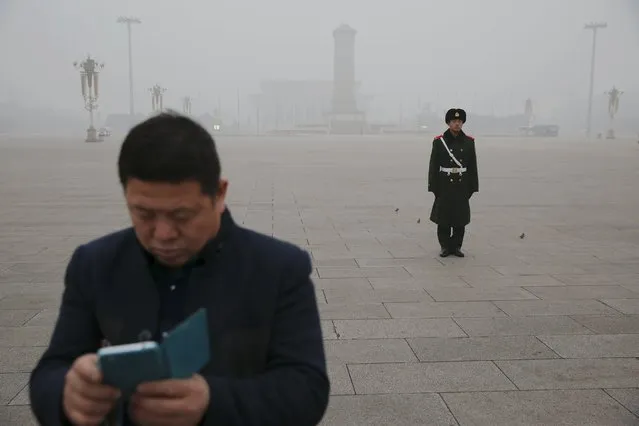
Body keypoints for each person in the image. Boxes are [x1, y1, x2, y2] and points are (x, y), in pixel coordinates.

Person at [29, 112, 330, 426]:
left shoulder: (279, 269)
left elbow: (306, 389)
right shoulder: (93, 264)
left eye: (182, 215)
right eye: (143, 214)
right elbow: (51, 371)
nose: (163, 234)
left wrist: (213, 401)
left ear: (220, 193)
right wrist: (67, 394)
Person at [428, 108, 479, 258]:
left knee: (460, 217)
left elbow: (472, 166)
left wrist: (472, 187)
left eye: (459, 121)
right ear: (448, 123)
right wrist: (433, 187)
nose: (457, 124)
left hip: (461, 184)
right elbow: (433, 166)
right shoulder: (439, 142)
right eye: (454, 122)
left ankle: (456, 246)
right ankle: (444, 246)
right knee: (443, 217)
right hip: (444, 184)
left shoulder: (469, 142)